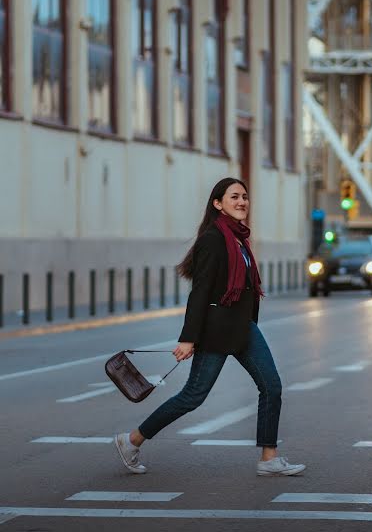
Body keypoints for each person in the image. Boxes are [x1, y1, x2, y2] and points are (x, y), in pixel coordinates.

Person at [114, 177, 305, 477]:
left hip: (242, 328)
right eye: (234, 197)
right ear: (218, 204)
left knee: (272, 386)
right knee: (193, 396)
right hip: (216, 330)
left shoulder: (238, 237)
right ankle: (131, 440)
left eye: (244, 196)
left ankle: (269, 457)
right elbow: (200, 291)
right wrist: (189, 338)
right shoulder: (214, 239)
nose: (242, 202)